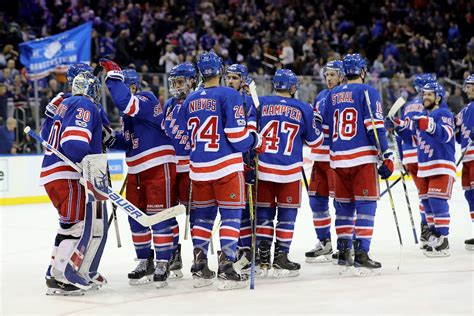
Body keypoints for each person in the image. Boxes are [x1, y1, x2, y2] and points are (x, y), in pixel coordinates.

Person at [183, 52, 265, 290]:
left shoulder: (190, 99)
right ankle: (227, 266)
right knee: (230, 216)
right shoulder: (229, 94)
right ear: (219, 71)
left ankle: (199, 265)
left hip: (198, 169)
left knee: (203, 218)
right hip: (226, 166)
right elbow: (238, 138)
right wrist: (255, 139)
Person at [100, 59, 177, 288]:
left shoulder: (146, 100)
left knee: (159, 215)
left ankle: (164, 261)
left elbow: (123, 100)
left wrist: (113, 75)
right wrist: (111, 139)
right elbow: (129, 143)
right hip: (136, 170)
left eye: (125, 86)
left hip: (157, 166)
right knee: (136, 216)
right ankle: (145, 260)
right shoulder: (127, 116)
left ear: (132, 86)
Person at [322, 54, 394, 275]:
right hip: (362, 158)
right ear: (362, 71)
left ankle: (344, 252)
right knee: (366, 205)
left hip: (338, 159)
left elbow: (325, 131)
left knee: (343, 207)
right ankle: (361, 254)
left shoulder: (332, 94)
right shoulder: (367, 91)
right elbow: (374, 127)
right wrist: (387, 155)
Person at [39, 72, 105, 295]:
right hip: (67, 174)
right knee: (76, 225)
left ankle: (53, 272)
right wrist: (87, 167)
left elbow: (45, 134)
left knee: (66, 224)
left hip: (51, 173)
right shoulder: (84, 104)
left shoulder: (63, 104)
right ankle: (63, 274)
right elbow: (74, 144)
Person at [256, 69, 323, 277]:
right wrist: (317, 123)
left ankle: (263, 256)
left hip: (264, 168)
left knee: (264, 213)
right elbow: (315, 142)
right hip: (290, 170)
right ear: (293, 87)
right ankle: (281, 257)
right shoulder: (304, 108)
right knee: (287, 214)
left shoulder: (261, 104)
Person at [402, 82, 455, 257]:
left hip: (441, 163)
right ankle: (434, 236)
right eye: (424, 94)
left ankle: (443, 240)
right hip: (425, 167)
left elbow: (447, 134)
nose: (425, 97)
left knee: (436, 200)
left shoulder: (444, 113)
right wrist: (398, 128)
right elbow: (414, 141)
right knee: (427, 202)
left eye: (429, 94)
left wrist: (429, 124)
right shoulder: (422, 116)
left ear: (438, 97)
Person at [388, 73, 436, 248]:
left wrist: (401, 157)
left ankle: (427, 228)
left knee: (423, 193)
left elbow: (401, 135)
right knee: (431, 195)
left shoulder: (407, 106)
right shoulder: (429, 104)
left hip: (409, 157)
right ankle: (428, 228)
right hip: (424, 154)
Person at [305, 60, 344, 263]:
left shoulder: (345, 95)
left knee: (341, 203)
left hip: (336, 157)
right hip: (319, 156)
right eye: (327, 75)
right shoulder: (321, 96)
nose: (329, 78)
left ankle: (346, 244)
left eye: (333, 75)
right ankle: (325, 242)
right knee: (316, 201)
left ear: (342, 76)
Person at [162, 62, 197, 278]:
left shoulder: (197, 101)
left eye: (180, 82)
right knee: (168, 212)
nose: (175, 86)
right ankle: (174, 253)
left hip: (192, 168)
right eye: (173, 82)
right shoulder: (168, 105)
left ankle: (198, 255)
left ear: (192, 81)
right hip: (170, 166)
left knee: (196, 214)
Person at [224, 63, 257, 274]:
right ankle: (236, 249)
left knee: (245, 210)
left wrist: (251, 159)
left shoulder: (249, 103)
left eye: (234, 78)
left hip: (245, 162)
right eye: (228, 77)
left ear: (243, 80)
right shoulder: (225, 98)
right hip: (228, 163)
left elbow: (252, 134)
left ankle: (247, 250)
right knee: (233, 211)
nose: (229, 81)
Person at [455, 74, 474, 250]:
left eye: (469, 86)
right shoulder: (467, 108)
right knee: (470, 196)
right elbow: (455, 123)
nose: (466, 89)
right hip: (467, 157)